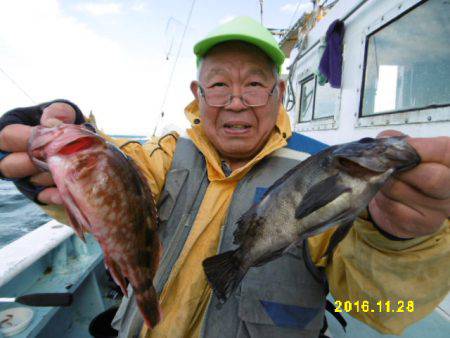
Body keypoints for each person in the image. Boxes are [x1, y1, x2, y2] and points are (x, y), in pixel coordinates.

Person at [0, 16, 449, 338]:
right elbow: (120, 180)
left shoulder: (325, 168)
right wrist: (65, 150)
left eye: (255, 84)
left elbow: (379, 309)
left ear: (279, 93)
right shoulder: (167, 153)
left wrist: (399, 241)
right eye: (218, 85)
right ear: (198, 94)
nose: (236, 101)